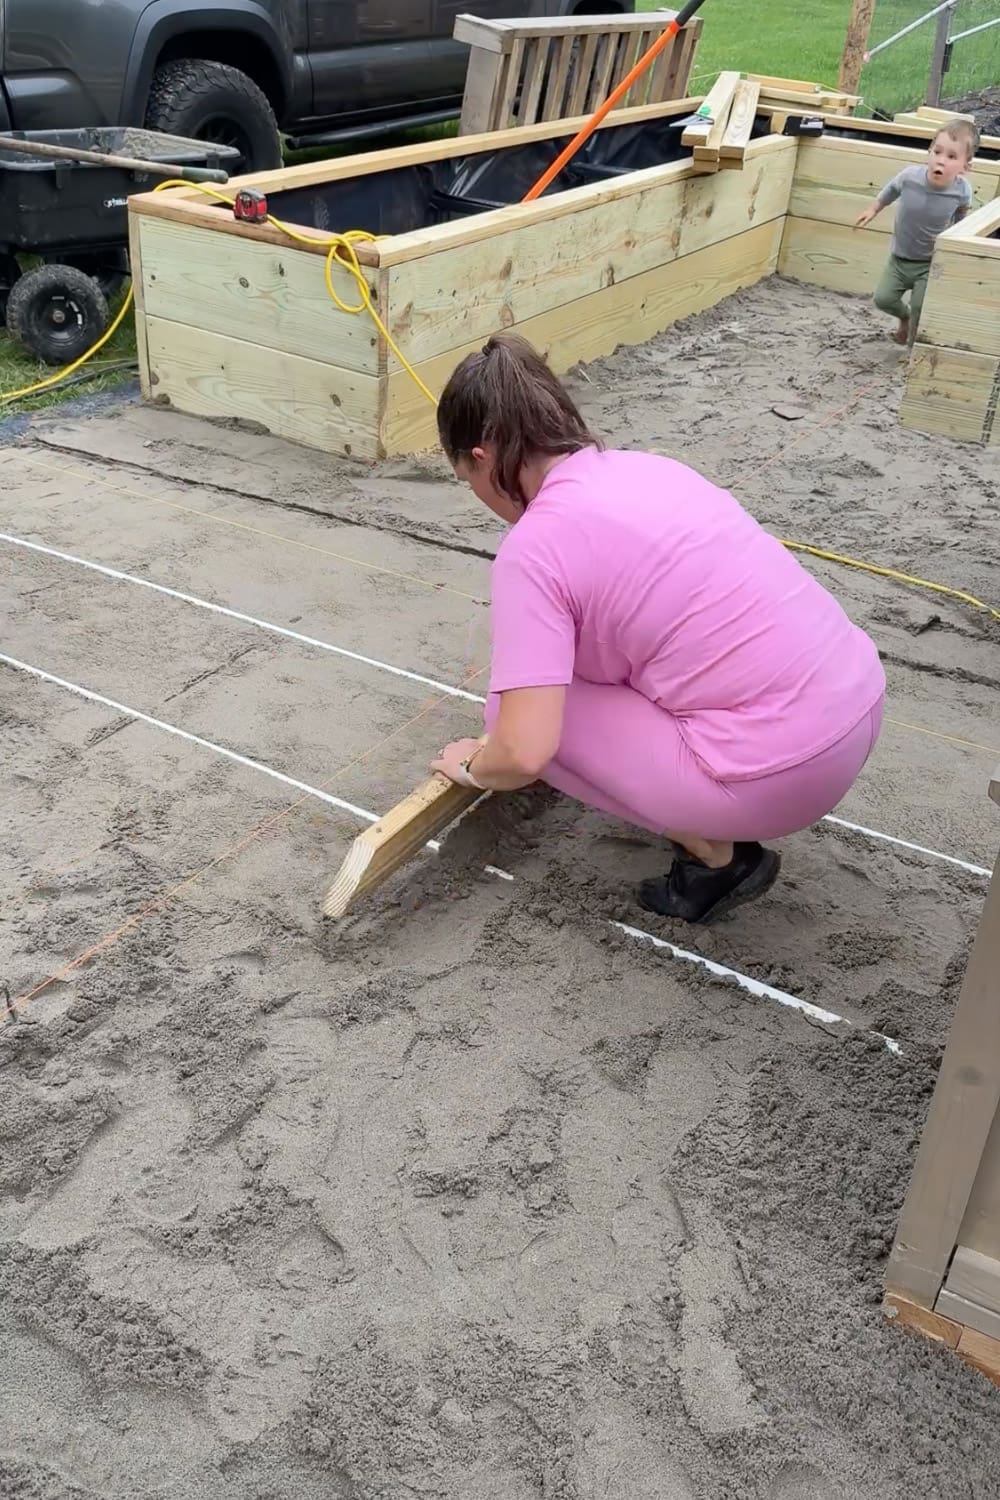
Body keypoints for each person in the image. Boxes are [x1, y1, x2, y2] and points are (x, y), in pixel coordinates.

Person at [430, 335, 886, 925]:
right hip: (857, 704)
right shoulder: (648, 468)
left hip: (786, 772)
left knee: (508, 718)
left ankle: (715, 854)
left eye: (466, 475)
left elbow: (522, 749)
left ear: (483, 459)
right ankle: (714, 807)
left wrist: (475, 763)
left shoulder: (535, 547)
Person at [855, 118, 977, 346]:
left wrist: (954, 236)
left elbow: (962, 213)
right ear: (929, 151)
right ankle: (904, 315)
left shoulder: (962, 191)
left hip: (928, 263)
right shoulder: (910, 177)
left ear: (965, 167)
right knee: (883, 299)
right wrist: (873, 209)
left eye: (951, 157)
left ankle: (912, 349)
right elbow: (891, 190)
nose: (941, 160)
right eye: (937, 152)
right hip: (899, 259)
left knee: (921, 307)